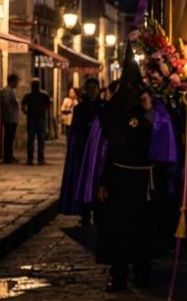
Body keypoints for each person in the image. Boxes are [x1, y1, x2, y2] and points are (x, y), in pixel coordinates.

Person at [96, 49, 167, 292]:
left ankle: (142, 272)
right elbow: (106, 150)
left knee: (143, 228)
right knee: (119, 229)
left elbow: (161, 139)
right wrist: (103, 182)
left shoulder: (152, 112)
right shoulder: (112, 113)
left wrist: (149, 112)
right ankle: (117, 275)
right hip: (119, 180)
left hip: (144, 180)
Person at [59, 79, 101, 225]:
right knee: (83, 180)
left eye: (94, 88)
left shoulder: (103, 107)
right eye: (89, 88)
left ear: (98, 89)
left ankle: (98, 212)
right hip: (84, 149)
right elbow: (76, 130)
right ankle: (85, 214)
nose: (91, 91)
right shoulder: (80, 108)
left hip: (99, 151)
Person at [21, 78, 50, 165]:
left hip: (32, 119)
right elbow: (48, 106)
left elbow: (22, 106)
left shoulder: (28, 95)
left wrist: (26, 113)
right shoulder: (44, 95)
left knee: (31, 139)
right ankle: (40, 159)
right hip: (40, 118)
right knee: (40, 140)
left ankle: (30, 159)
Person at [0, 74, 20, 163]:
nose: (17, 83)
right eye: (16, 81)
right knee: (9, 138)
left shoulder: (11, 90)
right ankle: (7, 157)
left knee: (11, 138)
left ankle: (9, 156)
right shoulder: (8, 91)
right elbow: (6, 103)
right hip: (9, 118)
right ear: (12, 81)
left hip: (12, 117)